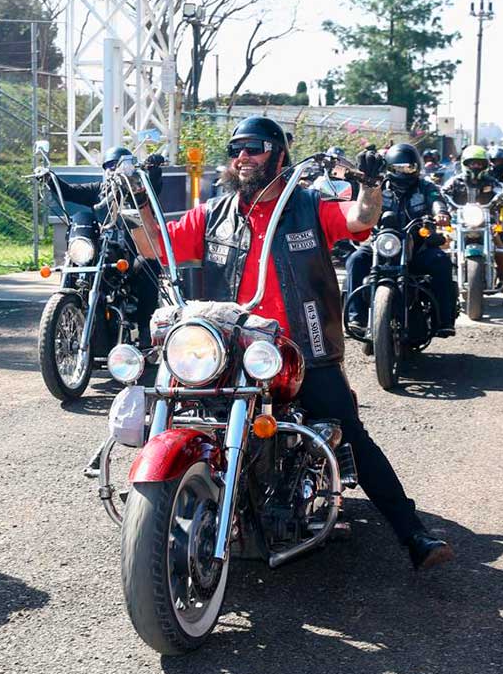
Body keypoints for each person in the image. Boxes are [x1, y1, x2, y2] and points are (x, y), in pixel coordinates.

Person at [161, 116, 454, 570]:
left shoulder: (310, 205)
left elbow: (361, 218)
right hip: (233, 350)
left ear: (279, 154)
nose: (242, 156)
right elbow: (156, 244)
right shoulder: (213, 213)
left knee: (352, 435)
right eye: (236, 148)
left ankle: (412, 532)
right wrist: (141, 198)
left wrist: (371, 185)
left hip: (305, 350)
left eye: (254, 147)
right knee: (174, 409)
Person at [48, 146, 165, 347]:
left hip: (131, 253)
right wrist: (49, 178)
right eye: (109, 166)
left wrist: (154, 169)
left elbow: (153, 186)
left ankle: (145, 326)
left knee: (148, 265)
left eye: (118, 165)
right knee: (75, 260)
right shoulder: (98, 190)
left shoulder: (137, 189)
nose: (113, 170)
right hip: (101, 251)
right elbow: (68, 192)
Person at [344, 143, 457, 339]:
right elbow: (361, 198)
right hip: (382, 244)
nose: (403, 172)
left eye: (409, 168)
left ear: (417, 168)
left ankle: (444, 320)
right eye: (398, 168)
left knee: (441, 261)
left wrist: (441, 213)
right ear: (389, 168)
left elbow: (436, 199)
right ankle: (356, 318)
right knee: (356, 259)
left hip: (417, 247)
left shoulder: (425, 186)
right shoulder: (378, 186)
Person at [441, 145, 503, 306]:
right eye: (472, 163)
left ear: (486, 165)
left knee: (501, 252)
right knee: (439, 249)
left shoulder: (491, 182)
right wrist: (437, 195)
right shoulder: (455, 181)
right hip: (458, 223)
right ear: (465, 163)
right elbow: (441, 191)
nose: (476, 166)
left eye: (479, 163)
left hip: (485, 223)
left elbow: (502, 190)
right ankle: (436, 289)